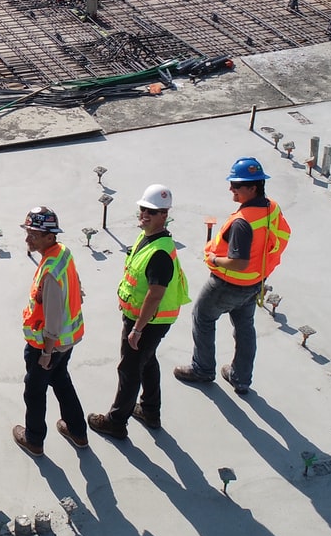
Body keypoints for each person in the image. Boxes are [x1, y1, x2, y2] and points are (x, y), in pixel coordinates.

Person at [176, 157, 292, 396]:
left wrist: (214, 260)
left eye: (236, 185)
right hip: (255, 282)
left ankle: (203, 369)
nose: (231, 189)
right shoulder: (271, 207)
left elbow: (238, 262)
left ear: (252, 188)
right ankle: (241, 378)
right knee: (245, 326)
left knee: (203, 317)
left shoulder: (242, 223)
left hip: (228, 284)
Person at [89, 185, 187, 439]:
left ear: (164, 215)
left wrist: (137, 329)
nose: (144, 215)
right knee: (147, 360)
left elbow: (155, 294)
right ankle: (150, 410)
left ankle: (116, 421)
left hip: (148, 322)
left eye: (152, 212)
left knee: (129, 369)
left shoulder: (160, 253)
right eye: (143, 209)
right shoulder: (148, 238)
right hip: (143, 319)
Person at [11, 206, 88, 458]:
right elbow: (74, 282)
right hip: (67, 342)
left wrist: (46, 352)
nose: (28, 239)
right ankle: (77, 431)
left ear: (49, 237)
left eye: (33, 235)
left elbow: (53, 316)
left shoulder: (51, 271)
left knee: (34, 391)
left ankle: (34, 439)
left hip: (47, 345)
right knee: (61, 381)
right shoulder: (62, 253)